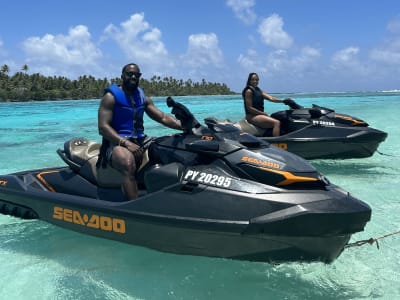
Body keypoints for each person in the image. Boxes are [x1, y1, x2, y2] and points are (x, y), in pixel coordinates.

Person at [97, 63, 182, 200]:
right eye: (130, 74)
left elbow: (162, 117)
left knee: (168, 147)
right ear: (122, 76)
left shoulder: (142, 97)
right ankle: (133, 206)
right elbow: (103, 128)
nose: (133, 77)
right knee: (128, 163)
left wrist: (185, 126)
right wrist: (125, 143)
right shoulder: (110, 97)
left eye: (137, 75)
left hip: (141, 140)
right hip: (116, 142)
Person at [242, 72, 286, 137]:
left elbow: (271, 98)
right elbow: (249, 108)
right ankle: (276, 143)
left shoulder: (258, 90)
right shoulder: (249, 91)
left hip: (258, 115)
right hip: (252, 116)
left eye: (257, 80)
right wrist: (262, 113)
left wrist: (283, 101)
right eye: (253, 79)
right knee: (276, 123)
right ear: (249, 80)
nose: (255, 81)